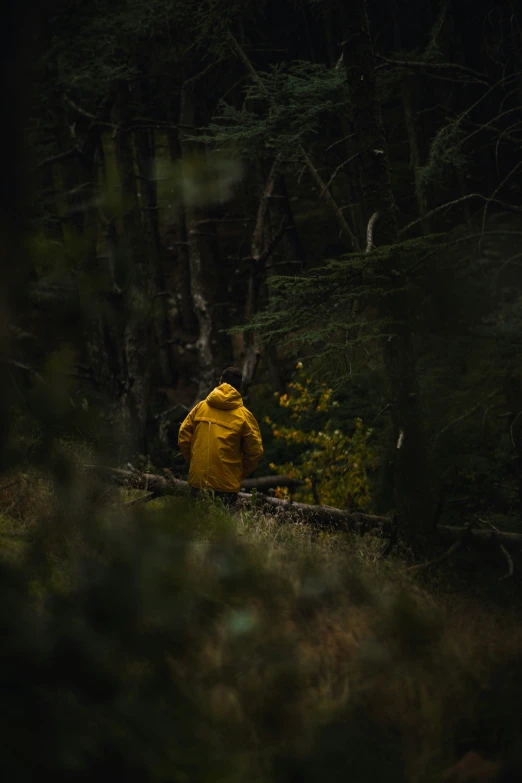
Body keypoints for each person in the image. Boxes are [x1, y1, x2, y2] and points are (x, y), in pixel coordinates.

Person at [178, 366, 263, 506]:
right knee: (222, 526)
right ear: (238, 388)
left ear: (220, 382)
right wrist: (240, 472)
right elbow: (255, 451)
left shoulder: (200, 407)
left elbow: (183, 435)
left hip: (199, 478)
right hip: (227, 484)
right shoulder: (244, 416)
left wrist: (194, 460)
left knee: (195, 525)